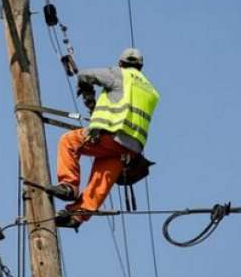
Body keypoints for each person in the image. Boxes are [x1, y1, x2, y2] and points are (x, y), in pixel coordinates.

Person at [47, 48, 160, 229]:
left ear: (121, 63)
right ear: (140, 67)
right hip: (131, 148)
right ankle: (77, 216)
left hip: (112, 135)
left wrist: (88, 95)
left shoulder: (119, 74)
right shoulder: (150, 90)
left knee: (68, 141)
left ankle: (68, 186)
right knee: (102, 178)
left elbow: (85, 75)